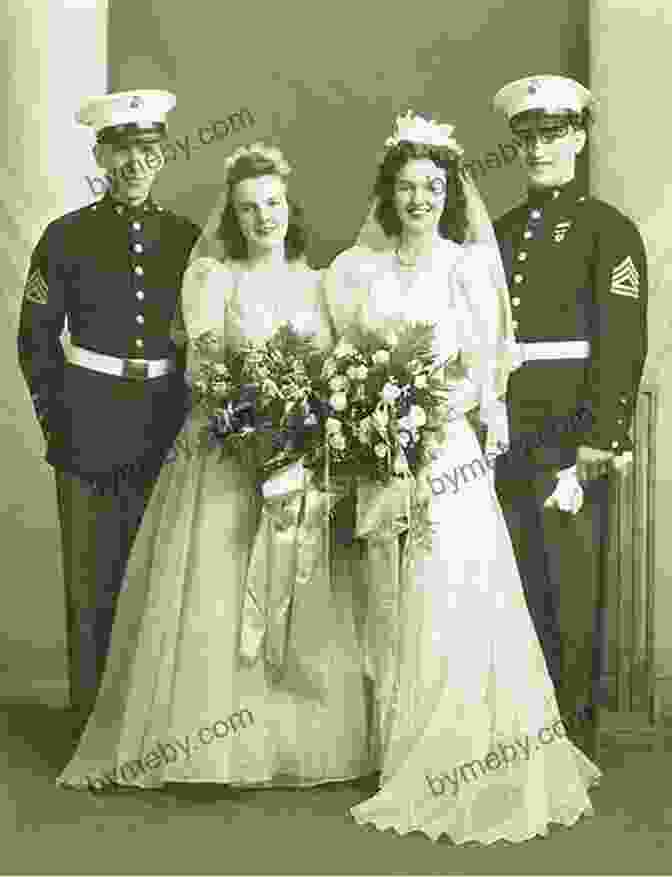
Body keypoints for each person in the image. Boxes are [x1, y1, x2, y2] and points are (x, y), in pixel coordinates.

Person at [56, 143, 374, 790]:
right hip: (226, 451)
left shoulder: (320, 283)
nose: (264, 218)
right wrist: (254, 421)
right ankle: (210, 743)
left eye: (275, 204)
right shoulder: (213, 278)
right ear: (231, 215)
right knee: (219, 588)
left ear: (292, 207)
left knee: (298, 587)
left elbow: (336, 370)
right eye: (249, 208)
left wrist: (303, 428)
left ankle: (298, 737)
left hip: (299, 462)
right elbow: (202, 369)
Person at [323, 111, 601, 844]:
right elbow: (345, 357)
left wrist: (426, 410)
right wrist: (373, 417)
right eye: (408, 186)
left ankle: (457, 745)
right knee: (388, 591)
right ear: (389, 193)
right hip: (385, 455)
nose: (421, 200)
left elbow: (487, 367)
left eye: (434, 186)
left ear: (451, 194)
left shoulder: (471, 265)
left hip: (446, 454)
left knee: (448, 585)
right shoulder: (359, 271)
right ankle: (396, 742)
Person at [17, 90, 201, 737]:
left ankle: (148, 720)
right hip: (88, 421)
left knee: (158, 571)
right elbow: (34, 338)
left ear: (162, 156)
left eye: (147, 150)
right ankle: (91, 721)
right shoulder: (65, 237)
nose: (134, 163)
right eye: (121, 149)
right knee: (92, 575)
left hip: (165, 422)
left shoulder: (186, 238)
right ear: (100, 154)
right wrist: (57, 420)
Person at [492, 76, 648, 757]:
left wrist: (602, 435)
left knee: (573, 584)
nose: (538, 149)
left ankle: (573, 737)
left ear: (579, 139)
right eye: (527, 137)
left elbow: (622, 339)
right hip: (506, 430)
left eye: (551, 134)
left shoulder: (608, 230)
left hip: (571, 432)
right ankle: (526, 732)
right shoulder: (496, 232)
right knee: (518, 578)